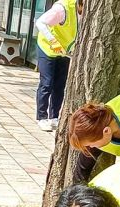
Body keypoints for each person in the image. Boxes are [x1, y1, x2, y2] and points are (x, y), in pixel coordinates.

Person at [34, 0, 84, 132]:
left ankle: (54, 117)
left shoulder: (86, 12)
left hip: (64, 52)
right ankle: (42, 117)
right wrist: (52, 41)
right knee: (47, 82)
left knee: (60, 84)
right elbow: (40, 22)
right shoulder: (62, 9)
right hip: (47, 47)